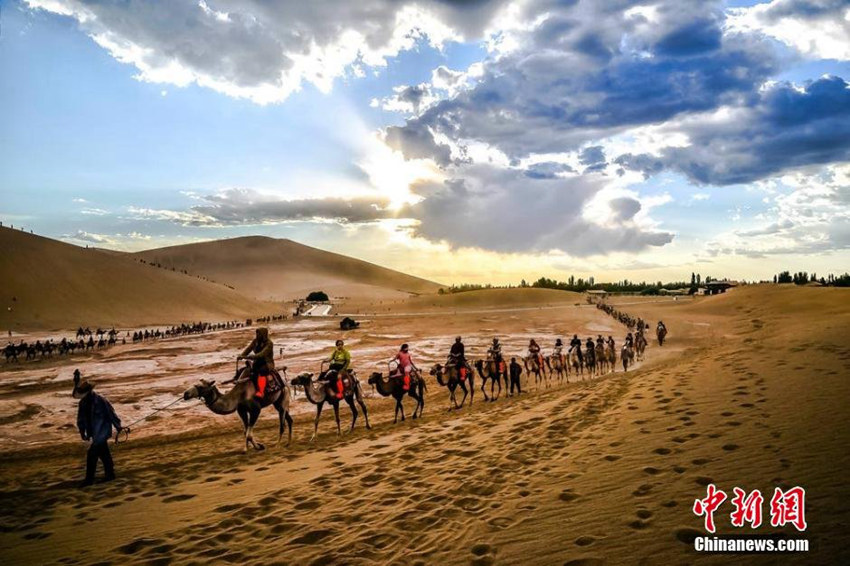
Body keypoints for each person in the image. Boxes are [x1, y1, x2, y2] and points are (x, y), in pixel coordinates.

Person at [73, 370, 122, 487]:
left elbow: (111, 413)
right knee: (104, 453)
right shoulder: (83, 403)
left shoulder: (101, 401)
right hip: (93, 432)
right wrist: (82, 432)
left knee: (92, 454)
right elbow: (80, 419)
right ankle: (110, 474)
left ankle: (89, 479)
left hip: (102, 430)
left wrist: (118, 426)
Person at [238, 327, 274, 400]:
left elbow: (262, 354)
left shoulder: (269, 343)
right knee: (245, 371)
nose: (257, 335)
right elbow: (248, 349)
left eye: (259, 334)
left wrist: (251, 357)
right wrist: (241, 355)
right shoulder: (255, 341)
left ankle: (261, 392)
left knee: (261, 372)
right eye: (257, 333)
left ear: (263, 334)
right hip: (257, 362)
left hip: (267, 363)